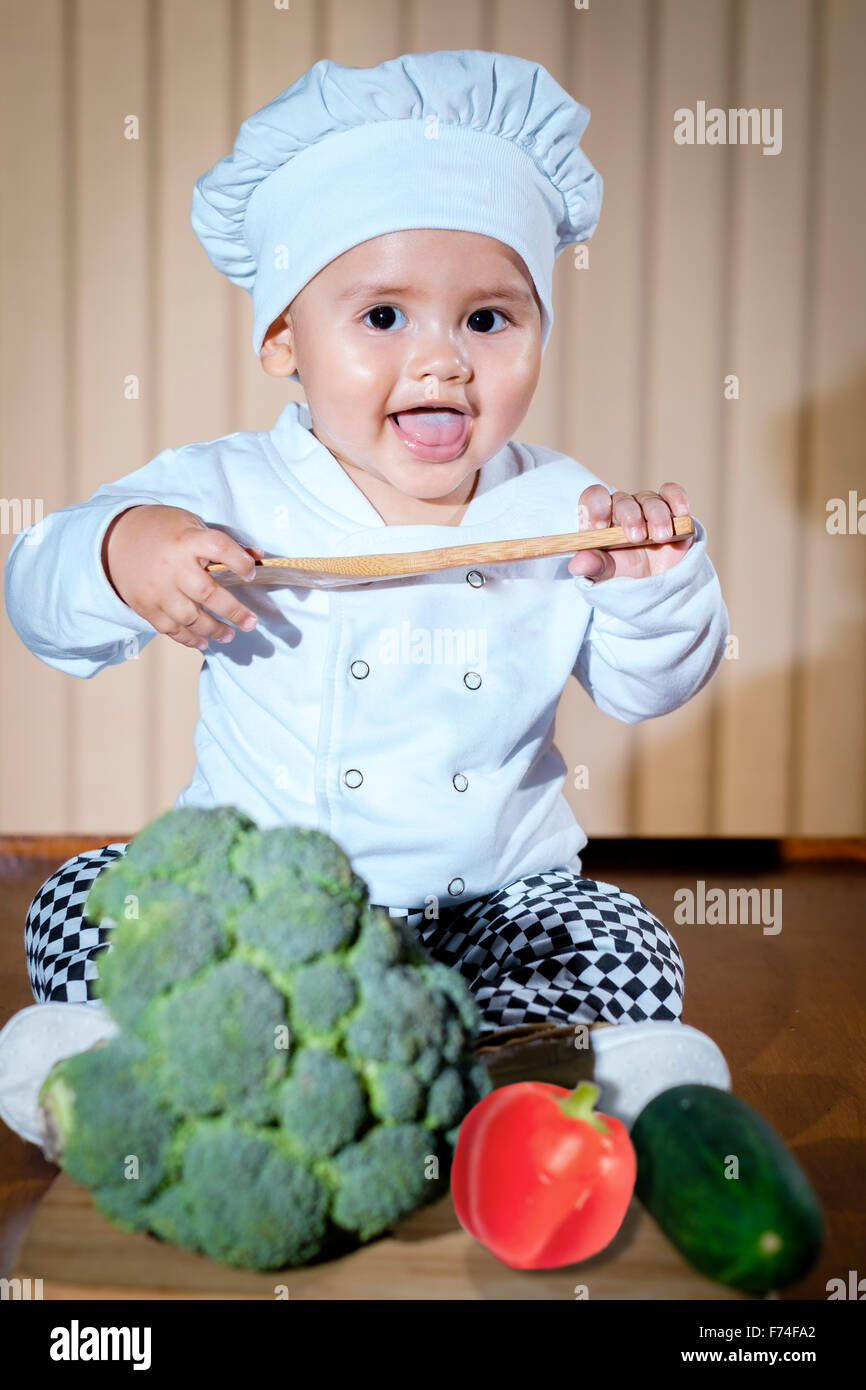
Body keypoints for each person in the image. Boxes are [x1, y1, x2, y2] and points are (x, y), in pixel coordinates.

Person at [0, 50, 731, 1148]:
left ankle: (375, 1071)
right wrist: (122, 551)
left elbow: (646, 687)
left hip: (485, 910)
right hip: (259, 907)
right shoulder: (225, 485)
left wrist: (653, 587)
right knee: (82, 902)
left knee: (626, 948)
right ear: (284, 341)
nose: (441, 359)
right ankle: (356, 1066)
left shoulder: (560, 503)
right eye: (382, 317)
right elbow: (39, 593)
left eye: (488, 319)